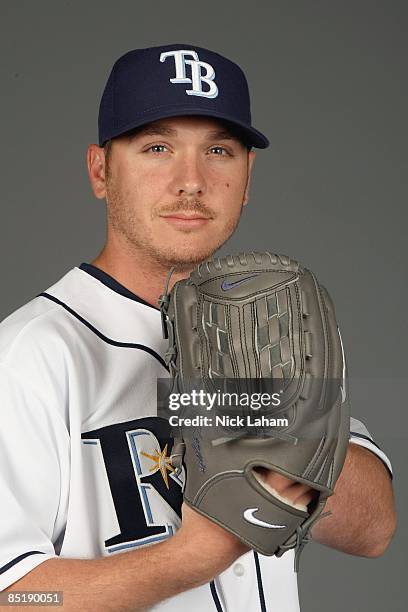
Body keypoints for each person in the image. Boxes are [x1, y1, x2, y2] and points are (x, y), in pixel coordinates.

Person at [0, 44, 396, 611]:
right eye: (157, 147)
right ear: (100, 170)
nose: (192, 181)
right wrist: (197, 553)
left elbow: (373, 528)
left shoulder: (262, 330)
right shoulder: (29, 356)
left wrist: (254, 415)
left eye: (219, 150)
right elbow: (16, 597)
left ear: (248, 175)